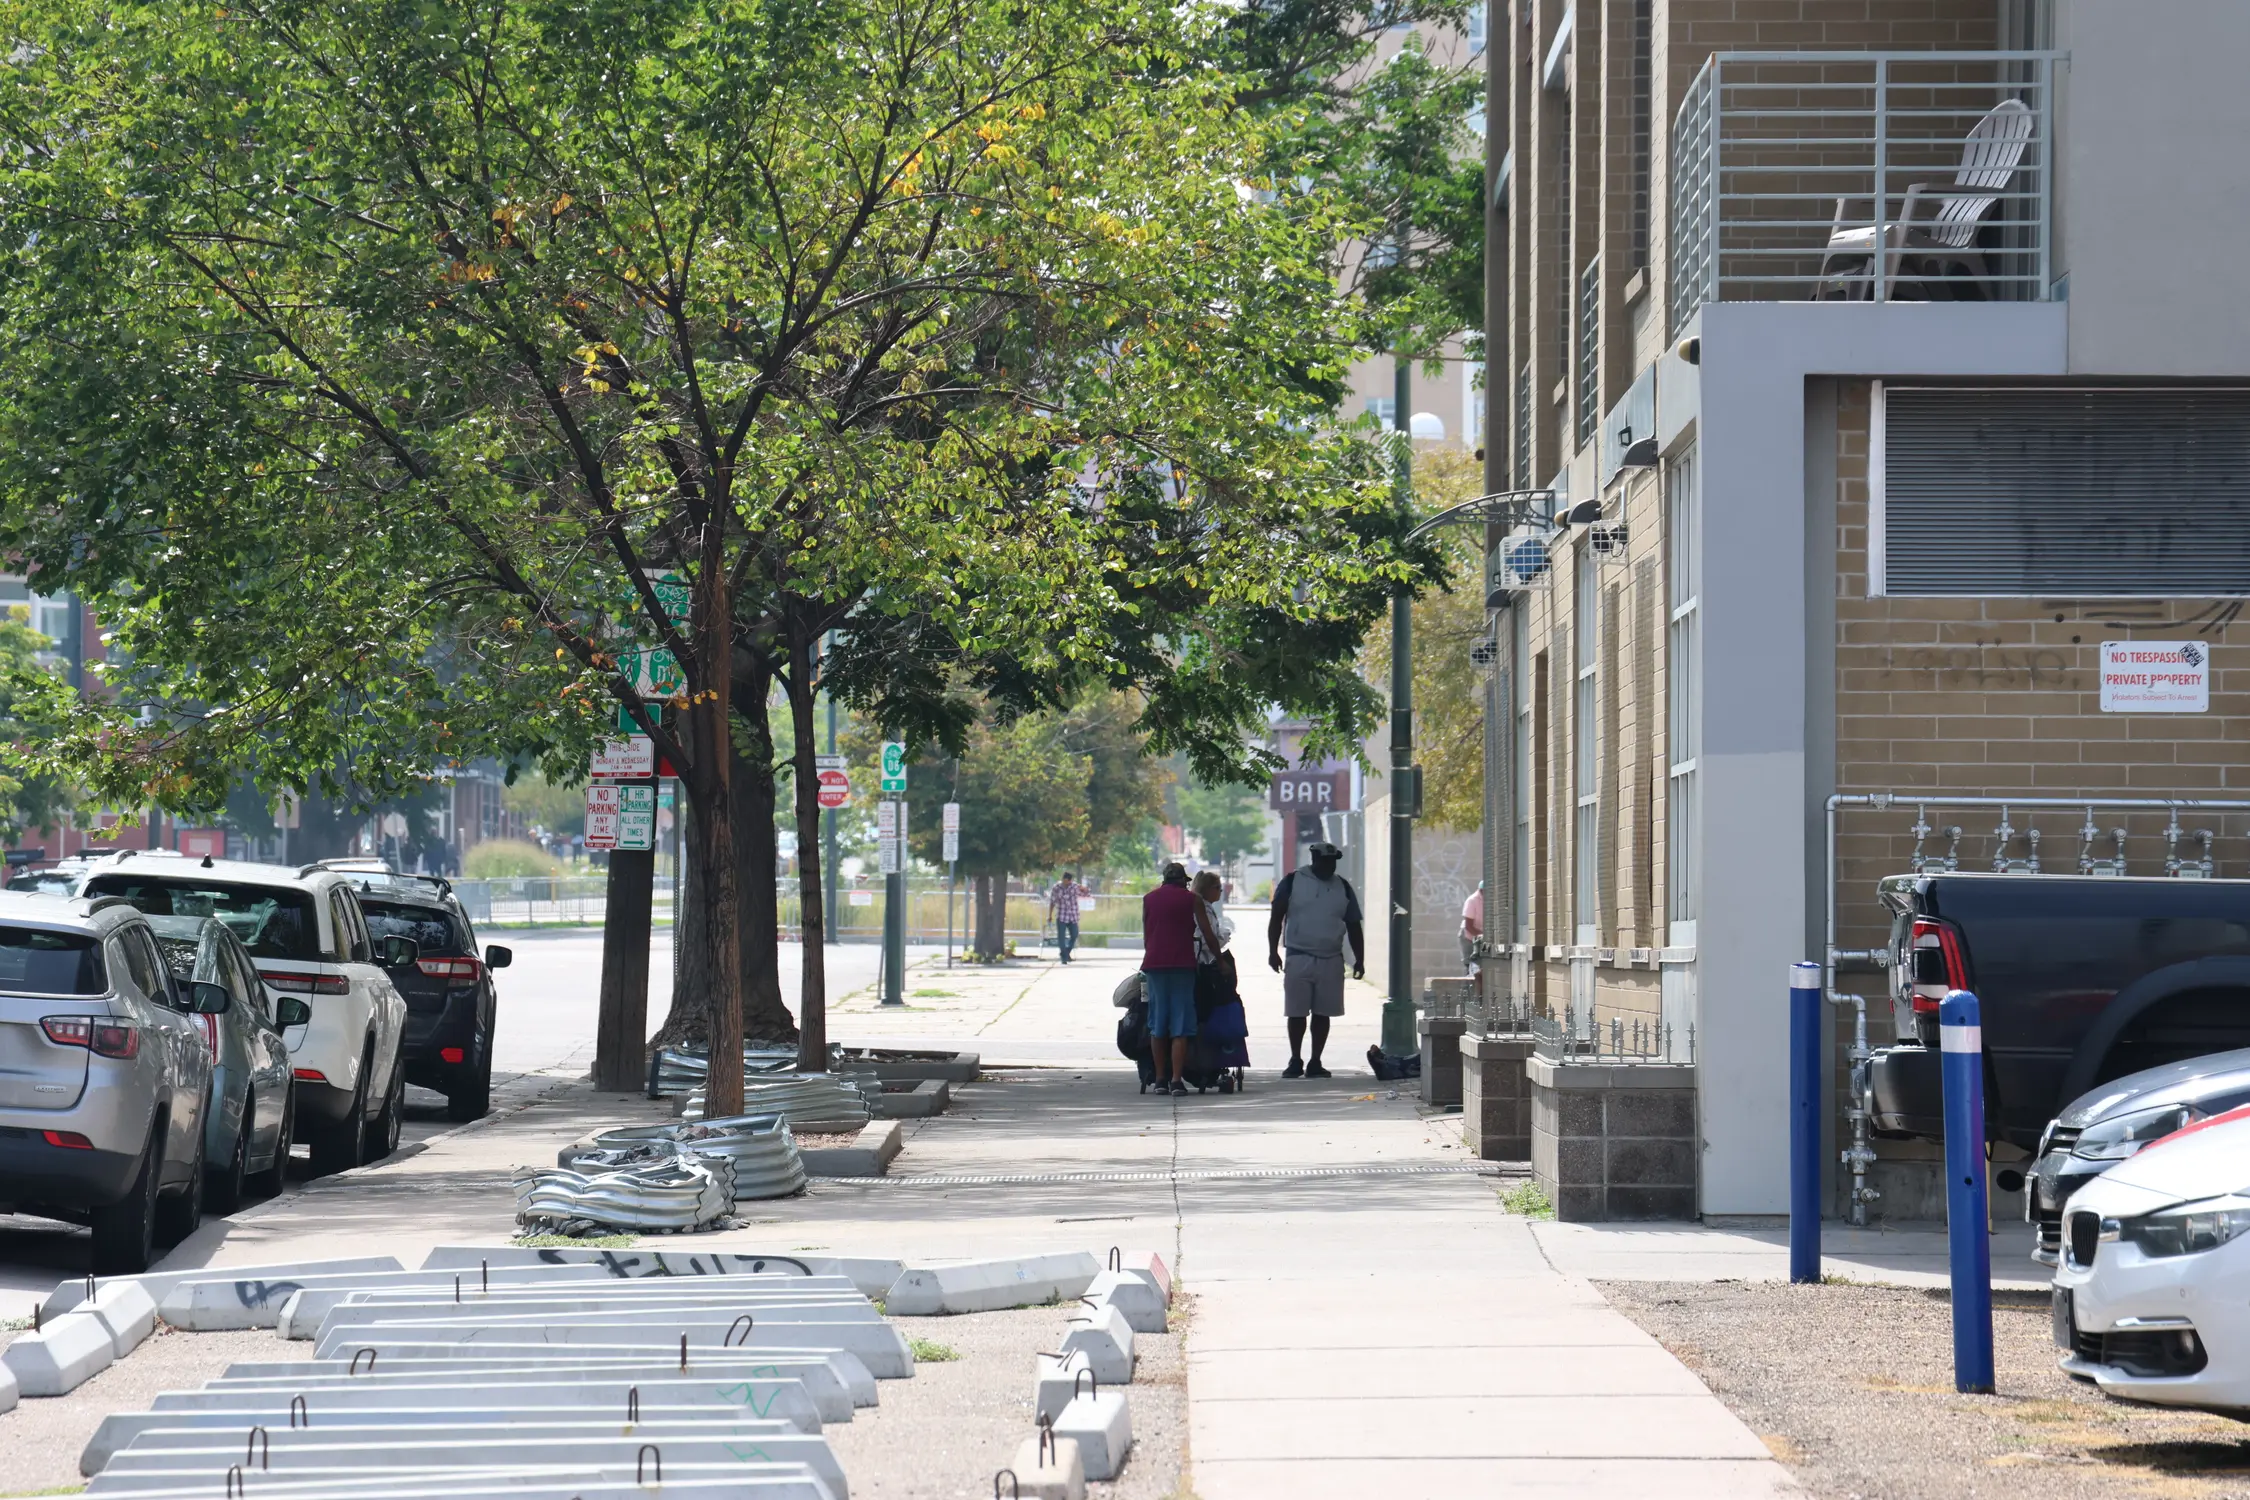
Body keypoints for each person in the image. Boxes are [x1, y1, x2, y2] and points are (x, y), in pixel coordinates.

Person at [1266, 841, 1364, 1079]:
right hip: (1299, 955)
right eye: (1325, 861)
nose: (1329, 866)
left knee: (1323, 1012)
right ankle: (1295, 1058)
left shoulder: (1342, 886)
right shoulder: (1293, 881)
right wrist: (1272, 951)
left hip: (1331, 958)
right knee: (1296, 1012)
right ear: (1314, 859)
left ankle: (1315, 1061)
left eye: (1333, 862)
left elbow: (1353, 924)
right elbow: (1276, 915)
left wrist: (1360, 959)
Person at [1143, 861, 1222, 1097]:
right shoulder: (1192, 899)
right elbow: (1207, 934)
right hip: (1182, 967)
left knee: (1157, 1024)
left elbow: (1147, 935)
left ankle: (1159, 1080)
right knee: (1180, 1025)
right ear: (1183, 881)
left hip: (1155, 966)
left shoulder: (1149, 899)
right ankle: (1177, 1081)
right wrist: (1221, 961)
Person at [1047, 872, 1091, 964]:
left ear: (1070, 880)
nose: (1066, 883)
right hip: (1062, 915)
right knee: (1061, 937)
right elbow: (1052, 901)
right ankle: (1064, 957)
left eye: (1068, 881)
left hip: (1073, 915)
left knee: (1074, 935)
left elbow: (1086, 894)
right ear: (1063, 879)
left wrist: (1083, 888)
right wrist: (1050, 915)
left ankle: (1066, 952)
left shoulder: (1074, 887)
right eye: (1065, 881)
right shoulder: (1057, 888)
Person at [1460, 880, 1485, 974]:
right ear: (1480, 890)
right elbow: (1469, 926)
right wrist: (1482, 935)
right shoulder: (1472, 901)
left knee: (1481, 964)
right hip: (1468, 936)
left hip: (1481, 936)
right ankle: (1468, 984)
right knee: (1470, 962)